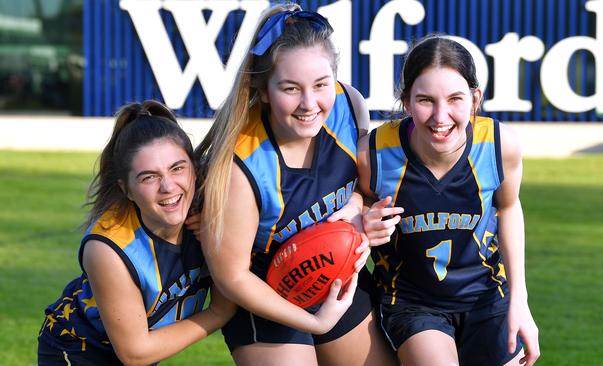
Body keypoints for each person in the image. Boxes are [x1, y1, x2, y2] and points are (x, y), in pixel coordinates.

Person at [196, 3, 398, 366]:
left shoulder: (349, 105)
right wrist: (313, 322)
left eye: (321, 84)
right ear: (264, 90)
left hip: (332, 275)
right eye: (291, 88)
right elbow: (232, 277)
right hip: (263, 292)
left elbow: (364, 187)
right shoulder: (242, 166)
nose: (310, 103)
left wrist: (356, 210)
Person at [358, 35, 541, 365]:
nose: (440, 117)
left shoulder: (499, 146)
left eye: (455, 99)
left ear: (475, 100)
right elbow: (347, 202)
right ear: (406, 101)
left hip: (485, 296)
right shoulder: (374, 154)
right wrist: (361, 216)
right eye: (426, 100)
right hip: (412, 301)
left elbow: (509, 208)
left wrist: (520, 300)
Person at [37, 100, 235, 365]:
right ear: (127, 189)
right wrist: (217, 313)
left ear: (195, 171)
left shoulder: (211, 215)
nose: (168, 186)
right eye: (148, 177)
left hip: (141, 343)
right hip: (79, 347)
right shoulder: (108, 247)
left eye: (177, 168)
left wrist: (221, 234)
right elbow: (135, 352)